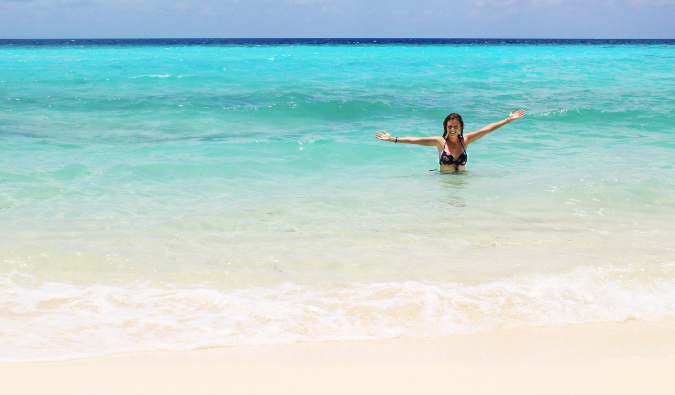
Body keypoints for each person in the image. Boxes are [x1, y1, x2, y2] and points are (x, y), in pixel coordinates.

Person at [375, 110, 525, 173]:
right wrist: (393, 139)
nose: (452, 129)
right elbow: (415, 140)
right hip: (444, 184)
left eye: (455, 127)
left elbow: (487, 129)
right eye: (450, 127)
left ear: (460, 128)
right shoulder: (440, 142)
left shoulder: (465, 140)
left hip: (462, 182)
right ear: (446, 127)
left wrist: (508, 120)